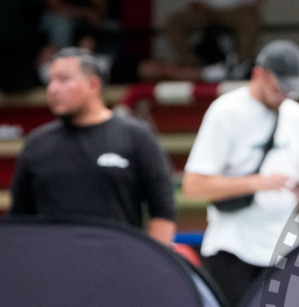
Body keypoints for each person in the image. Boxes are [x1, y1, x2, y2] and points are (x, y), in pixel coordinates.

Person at [182, 39, 299, 307]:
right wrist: (257, 183)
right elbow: (194, 186)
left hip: (282, 247)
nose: (285, 95)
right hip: (232, 249)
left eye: (291, 89)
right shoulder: (226, 111)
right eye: (279, 87)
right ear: (259, 75)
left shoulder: (296, 114)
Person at [9, 47, 177, 244]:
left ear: (93, 84)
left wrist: (151, 267)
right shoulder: (37, 143)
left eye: (63, 80)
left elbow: (163, 208)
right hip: (54, 266)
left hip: (119, 265)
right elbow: (20, 218)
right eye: (50, 81)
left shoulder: (136, 136)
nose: (53, 89)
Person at [164, 0, 263, 75]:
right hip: (204, 10)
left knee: (251, 20)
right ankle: (191, 65)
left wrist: (253, 6)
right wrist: (197, 5)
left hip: (236, 10)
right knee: (174, 22)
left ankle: (240, 67)